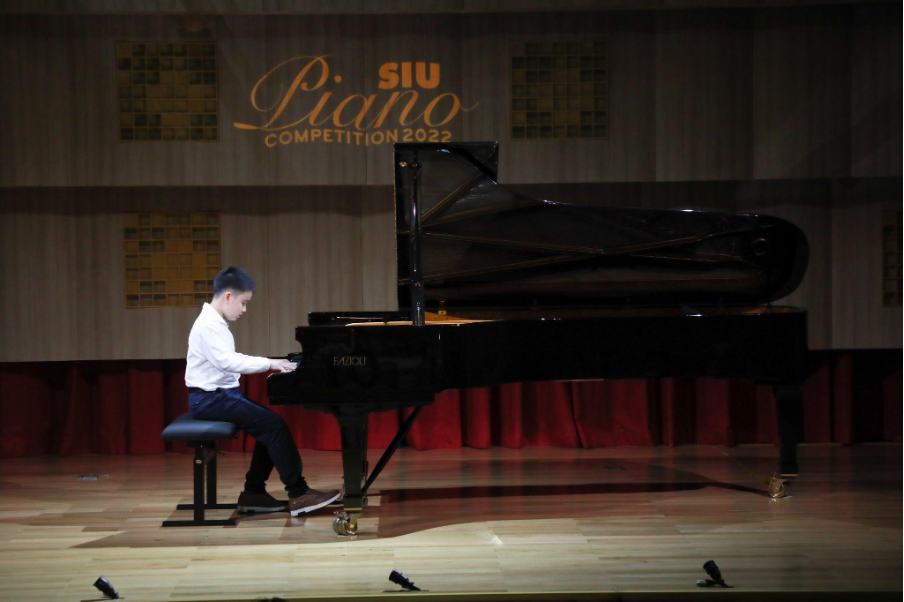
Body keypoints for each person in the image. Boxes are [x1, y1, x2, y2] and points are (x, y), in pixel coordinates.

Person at [185, 266, 340, 516]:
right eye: (243, 303)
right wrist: (270, 363)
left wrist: (271, 364)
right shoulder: (208, 326)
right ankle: (298, 494)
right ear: (228, 296)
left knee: (269, 426)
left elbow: (228, 362)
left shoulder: (214, 322)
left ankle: (254, 493)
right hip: (209, 400)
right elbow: (228, 362)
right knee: (274, 426)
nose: (244, 310)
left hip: (219, 396)